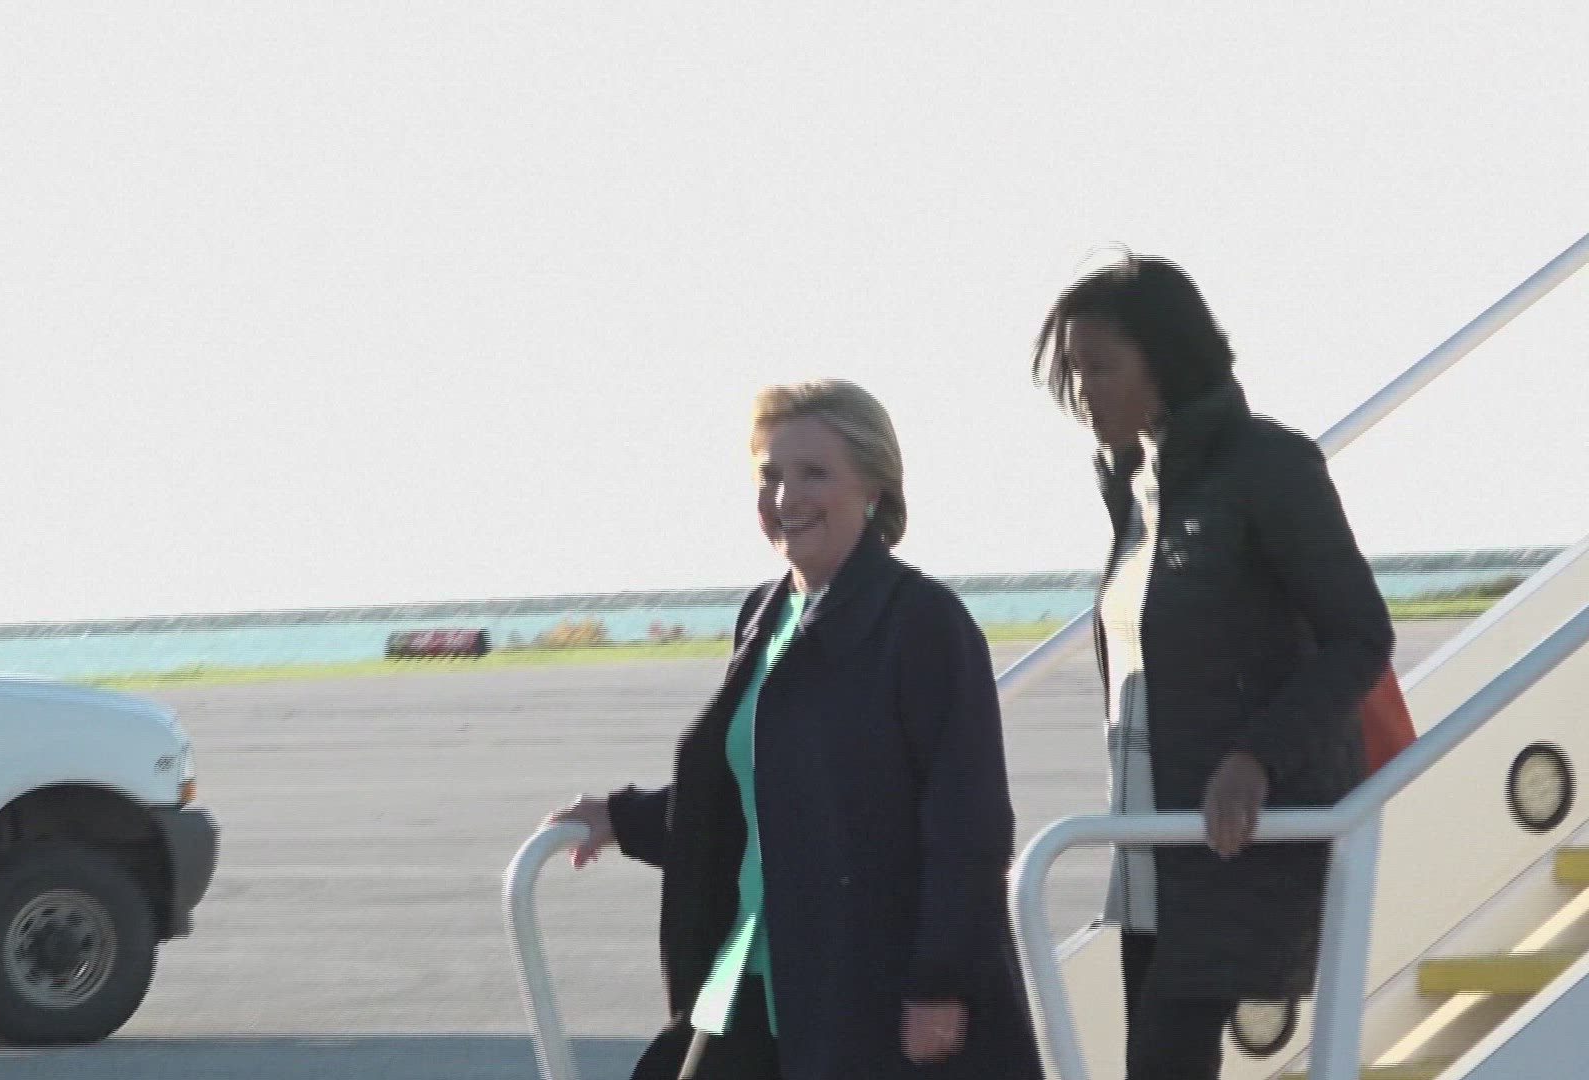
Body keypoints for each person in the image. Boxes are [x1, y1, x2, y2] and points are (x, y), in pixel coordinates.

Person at [546, 380, 1042, 1080]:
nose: (786, 498)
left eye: (814, 473)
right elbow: (759, 801)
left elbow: (970, 823)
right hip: (751, 971)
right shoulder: (763, 615)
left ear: (873, 488)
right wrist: (624, 818)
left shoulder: (924, 622)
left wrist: (942, 984)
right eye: (769, 475)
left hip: (872, 990)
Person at [1031, 254, 1395, 1080]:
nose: (1082, 391)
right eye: (1074, 370)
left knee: (1164, 1063)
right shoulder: (1137, 485)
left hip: (1234, 840)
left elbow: (1360, 635)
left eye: (1099, 367)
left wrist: (1255, 757)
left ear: (1164, 362)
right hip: (1151, 841)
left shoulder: (1269, 467)